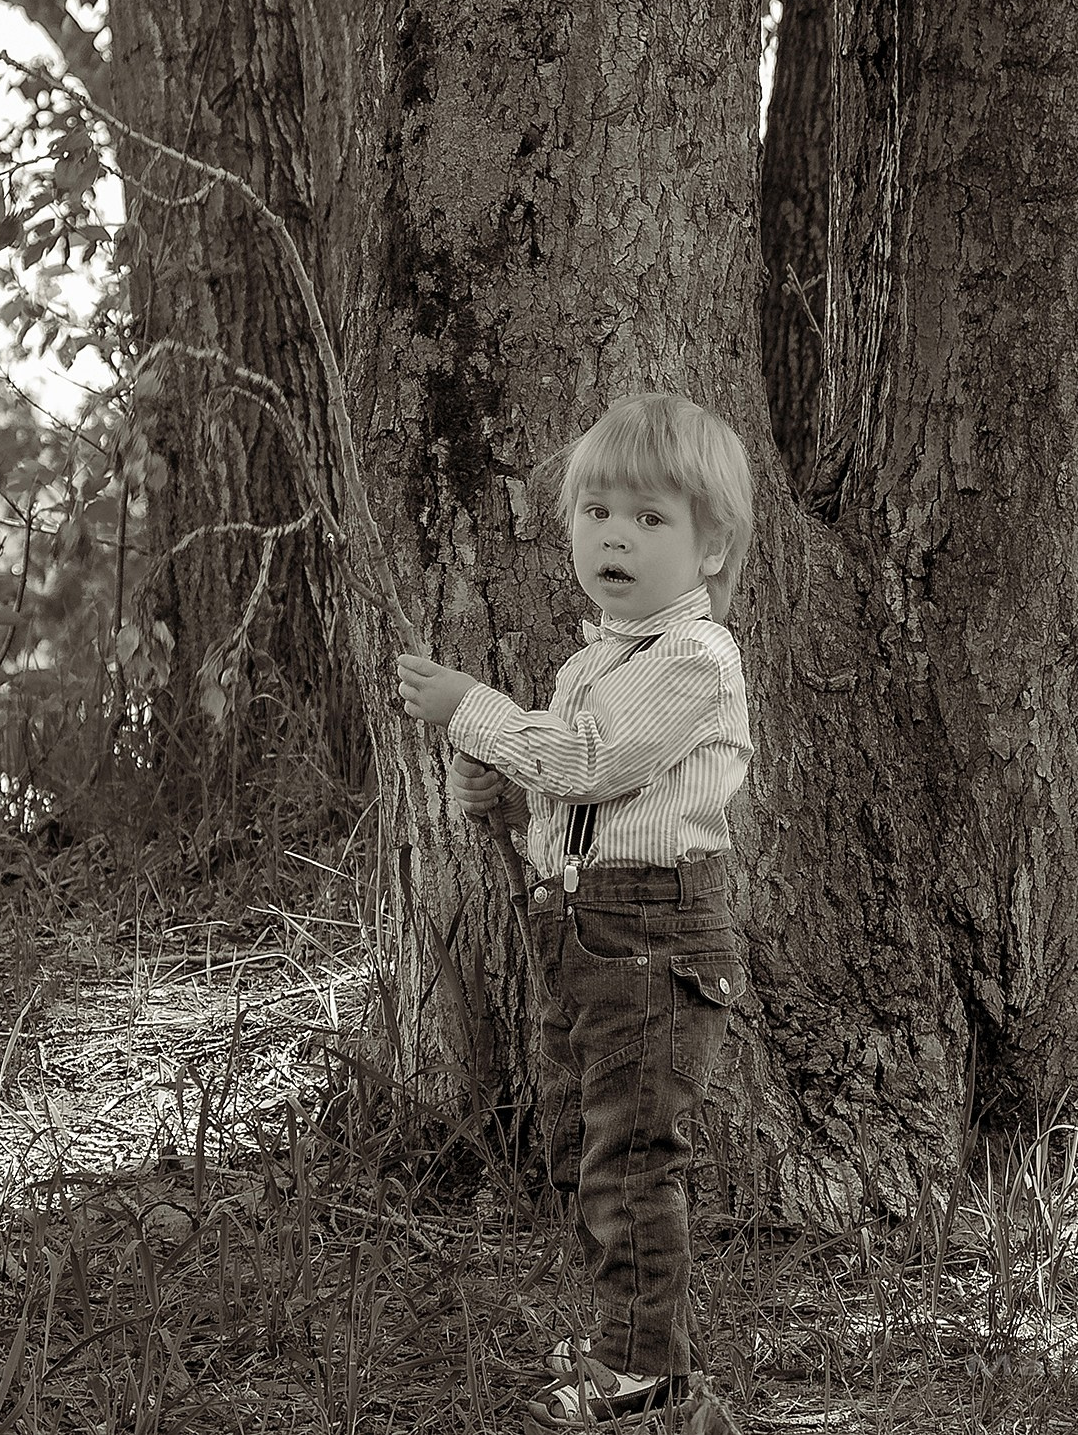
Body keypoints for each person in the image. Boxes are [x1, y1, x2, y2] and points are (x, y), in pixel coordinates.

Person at [394, 391, 755, 1430]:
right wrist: (510, 795)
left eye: (650, 520)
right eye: (597, 513)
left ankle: (641, 1371)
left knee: (633, 1156)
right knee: (588, 1144)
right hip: (590, 929)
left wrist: (474, 708)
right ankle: (627, 1333)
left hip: (652, 938)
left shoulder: (694, 659)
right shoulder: (596, 661)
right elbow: (579, 796)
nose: (615, 537)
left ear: (710, 550)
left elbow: (590, 763)